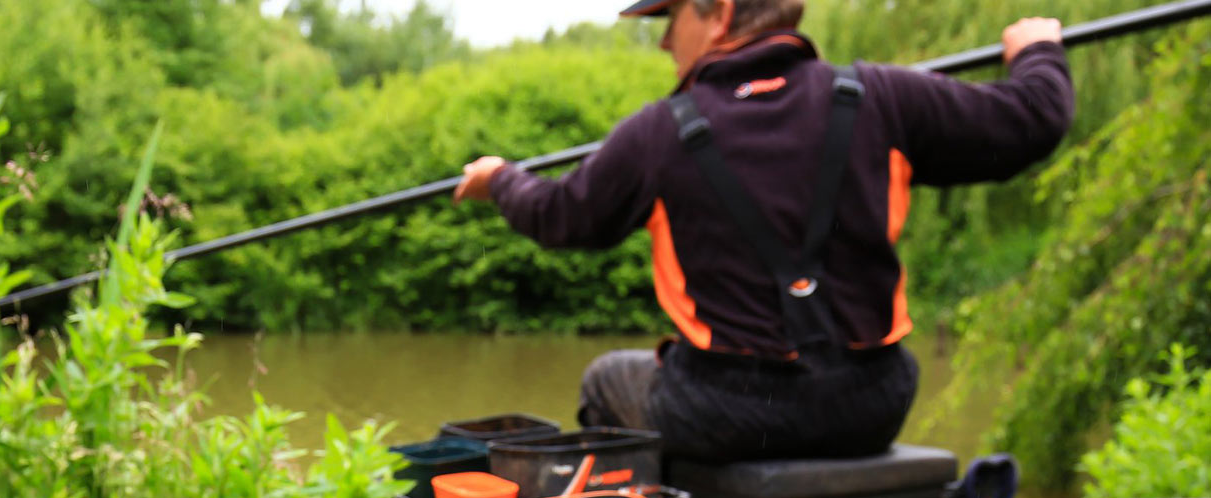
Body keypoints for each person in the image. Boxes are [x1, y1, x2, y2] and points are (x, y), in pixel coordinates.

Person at [453, 0, 1073, 463]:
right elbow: (1032, 119)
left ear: (718, 14)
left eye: (670, 19)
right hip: (872, 404)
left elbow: (562, 217)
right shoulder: (880, 98)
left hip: (726, 413)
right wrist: (1038, 50)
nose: (665, 42)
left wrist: (503, 180)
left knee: (606, 379)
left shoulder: (656, 135)